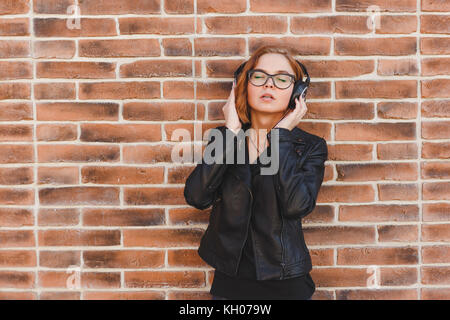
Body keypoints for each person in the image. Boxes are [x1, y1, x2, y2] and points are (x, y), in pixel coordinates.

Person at [184, 45, 328, 300]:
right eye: (259, 77)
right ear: (243, 86)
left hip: (287, 285)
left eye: (282, 79)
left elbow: (296, 206)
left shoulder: (310, 147)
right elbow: (197, 197)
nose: (269, 85)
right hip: (230, 286)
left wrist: (281, 136)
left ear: (297, 93)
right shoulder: (223, 138)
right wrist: (230, 131)